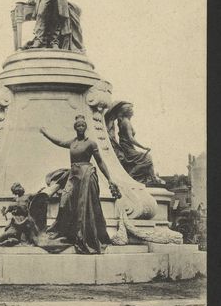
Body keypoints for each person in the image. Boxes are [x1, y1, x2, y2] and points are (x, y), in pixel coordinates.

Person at [40, 115, 119, 254]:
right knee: (64, 201)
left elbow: (100, 161)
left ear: (85, 127)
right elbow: (59, 142)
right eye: (78, 126)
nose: (81, 128)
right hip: (73, 175)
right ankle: (65, 232)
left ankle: (84, 236)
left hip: (86, 175)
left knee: (84, 206)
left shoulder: (91, 143)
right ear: (75, 128)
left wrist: (109, 179)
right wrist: (45, 133)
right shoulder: (72, 142)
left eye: (83, 125)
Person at [105, 102, 163, 185]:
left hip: (128, 147)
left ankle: (153, 178)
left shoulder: (125, 121)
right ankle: (131, 176)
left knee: (147, 159)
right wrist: (143, 147)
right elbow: (130, 138)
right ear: (127, 111)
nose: (133, 111)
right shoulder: (126, 122)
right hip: (127, 148)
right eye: (131, 109)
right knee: (147, 159)